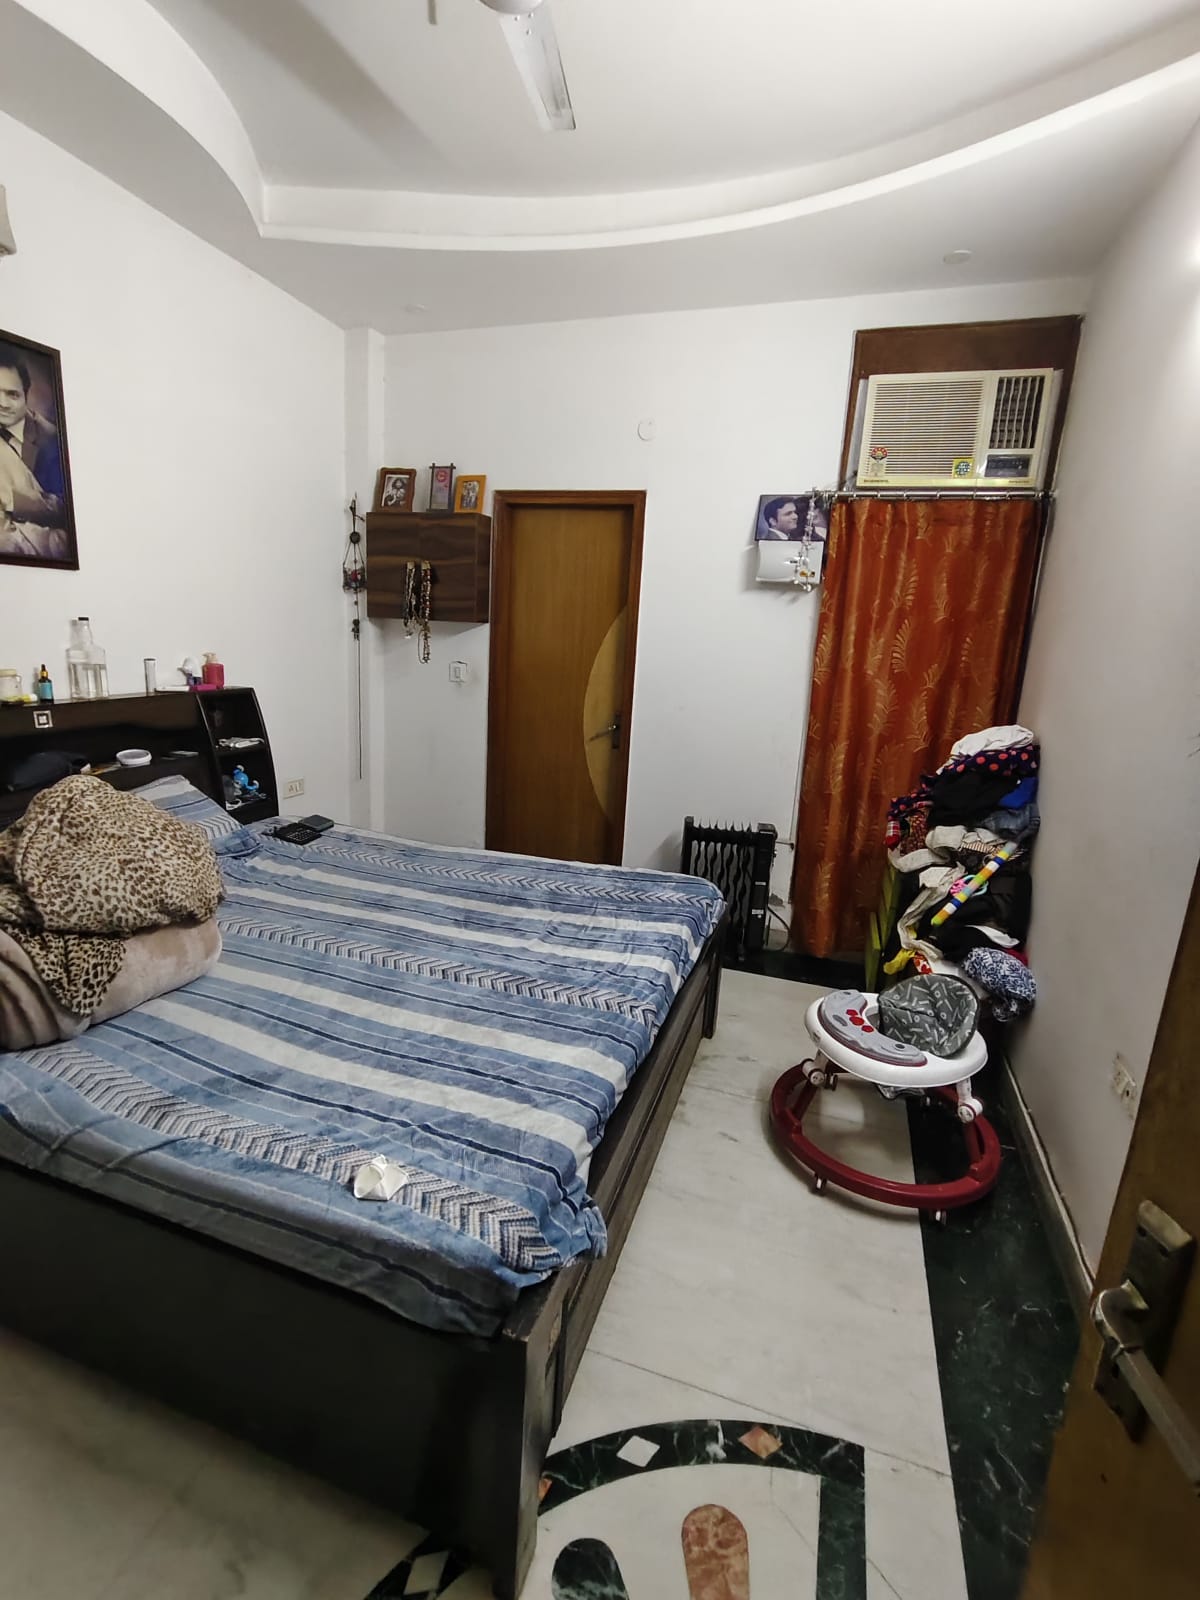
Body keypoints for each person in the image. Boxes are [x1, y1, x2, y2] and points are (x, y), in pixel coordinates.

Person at [0, 346, 68, 560]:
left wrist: (12, 499)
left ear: (27, 395)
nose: (2, 404)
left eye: (12, 394)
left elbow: (66, 509)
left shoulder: (52, 442)